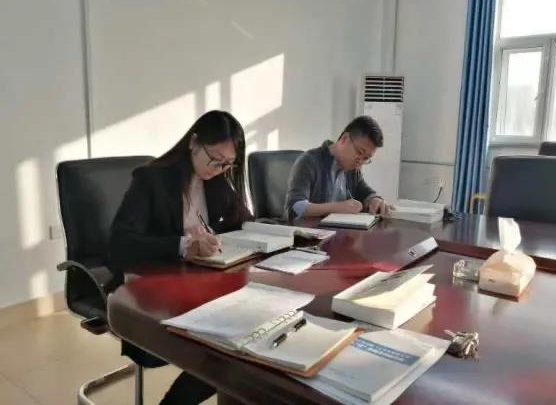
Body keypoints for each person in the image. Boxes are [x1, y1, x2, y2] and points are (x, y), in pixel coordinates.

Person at [109, 110, 252, 405]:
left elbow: (244, 222)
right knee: (228, 350)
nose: (219, 169)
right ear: (193, 143)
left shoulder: (215, 180)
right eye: (215, 159)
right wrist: (183, 246)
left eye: (228, 164)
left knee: (244, 339)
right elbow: (120, 244)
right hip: (154, 295)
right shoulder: (151, 180)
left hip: (202, 288)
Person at [285, 115, 391, 221]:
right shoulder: (309, 161)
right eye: (359, 152)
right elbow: (294, 207)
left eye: (366, 158)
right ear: (345, 139)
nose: (360, 162)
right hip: (311, 230)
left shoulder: (353, 169)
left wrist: (374, 199)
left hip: (339, 229)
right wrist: (338, 207)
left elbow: (365, 192)